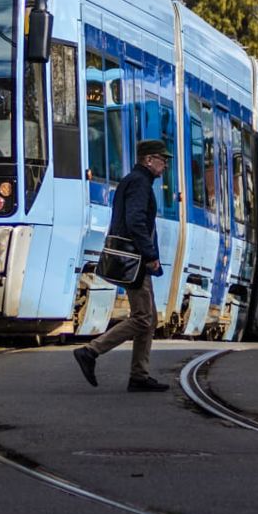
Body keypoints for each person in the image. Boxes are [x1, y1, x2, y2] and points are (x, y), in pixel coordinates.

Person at [75, 139, 171, 392]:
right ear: (148, 160)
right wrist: (150, 254)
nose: (165, 165)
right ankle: (91, 351)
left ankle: (139, 376)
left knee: (149, 320)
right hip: (135, 260)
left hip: (134, 259)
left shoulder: (136, 181)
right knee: (142, 318)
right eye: (163, 159)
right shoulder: (139, 183)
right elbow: (135, 221)